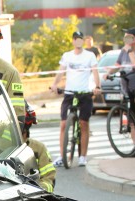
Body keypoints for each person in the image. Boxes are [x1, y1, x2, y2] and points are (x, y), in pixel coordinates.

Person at [50, 31, 101, 167]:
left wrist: (97, 86)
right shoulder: (67, 56)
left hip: (85, 93)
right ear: (72, 41)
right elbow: (61, 72)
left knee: (84, 124)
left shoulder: (89, 56)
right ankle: (62, 156)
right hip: (69, 93)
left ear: (83, 41)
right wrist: (55, 84)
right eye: (75, 39)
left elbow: (95, 72)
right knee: (63, 124)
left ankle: (82, 157)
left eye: (80, 39)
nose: (78, 41)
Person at [104, 27, 135, 156]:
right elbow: (118, 64)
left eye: (128, 37)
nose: (125, 40)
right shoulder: (123, 51)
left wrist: (130, 51)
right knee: (131, 118)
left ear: (134, 39)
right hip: (127, 85)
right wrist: (108, 73)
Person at [20, 103, 56, 192]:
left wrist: (39, 191)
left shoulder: (38, 148)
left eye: (23, 132)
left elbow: (49, 178)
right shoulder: (1, 146)